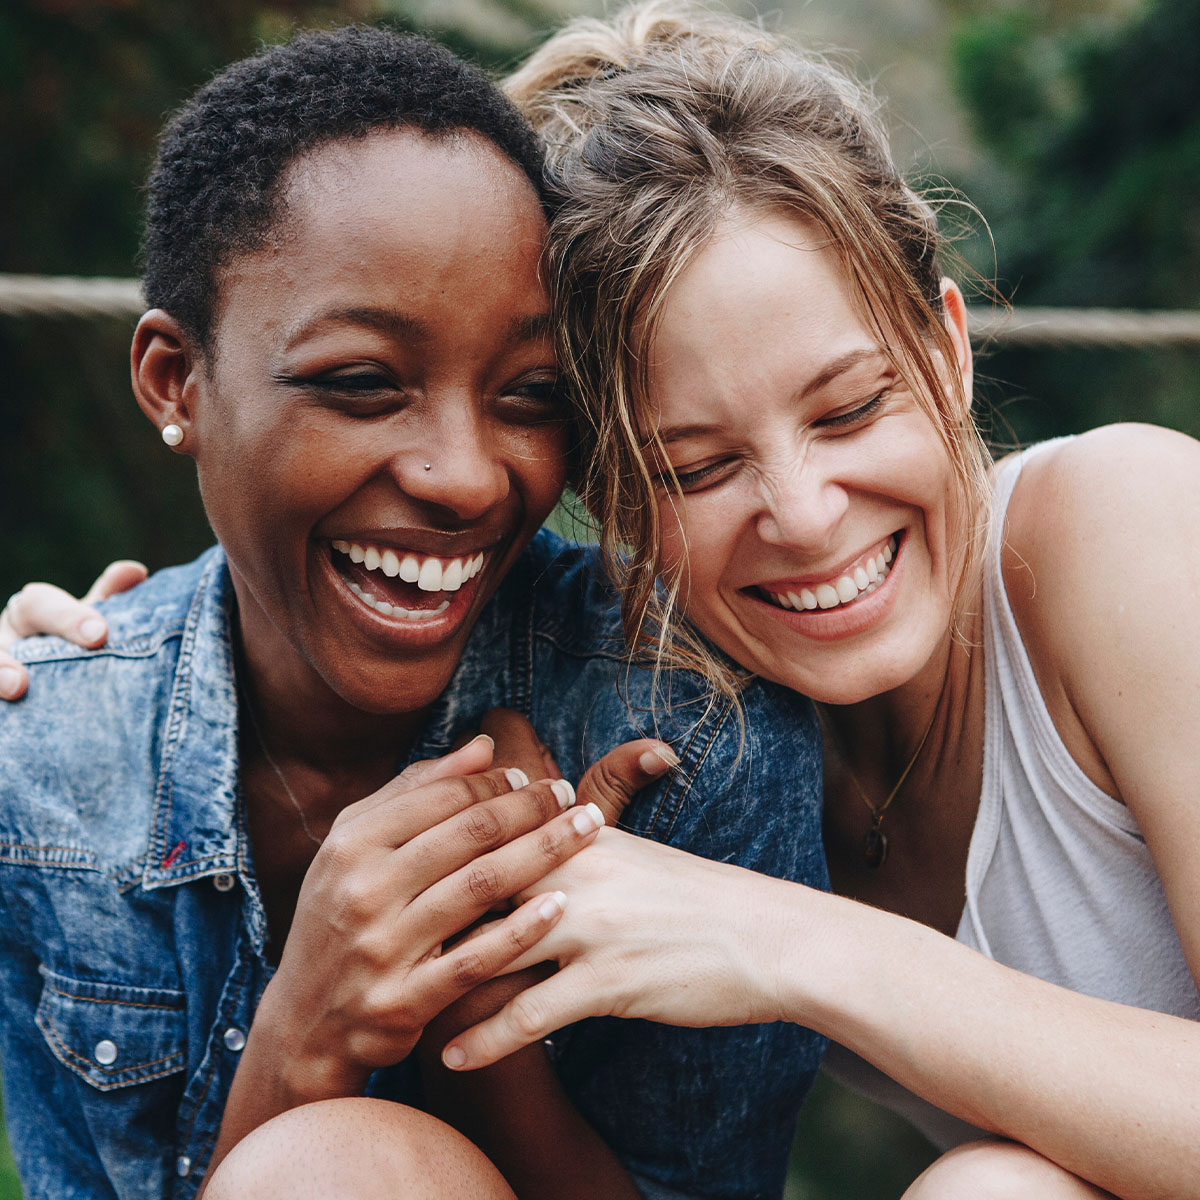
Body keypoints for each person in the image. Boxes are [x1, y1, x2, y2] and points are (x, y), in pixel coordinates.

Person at [0, 24, 828, 1200]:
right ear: (175, 382)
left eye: (530, 395)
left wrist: (485, 1020)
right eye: (361, 384)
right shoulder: (48, 766)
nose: (466, 478)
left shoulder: (688, 733)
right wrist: (304, 1035)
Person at [424, 6, 1200, 1200]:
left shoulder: (1125, 527)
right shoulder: (684, 727)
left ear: (944, 346)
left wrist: (795, 944)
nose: (805, 512)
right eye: (696, 467)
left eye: (846, 410)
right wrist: (82, 654)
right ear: (613, 505)